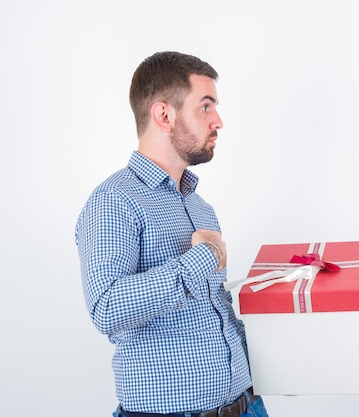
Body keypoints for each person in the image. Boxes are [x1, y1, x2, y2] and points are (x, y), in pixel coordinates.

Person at [75, 51, 269, 417]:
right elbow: (106, 308)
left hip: (247, 406)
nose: (219, 121)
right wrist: (202, 259)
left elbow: (210, 312)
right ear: (164, 114)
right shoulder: (114, 201)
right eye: (205, 107)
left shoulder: (199, 207)